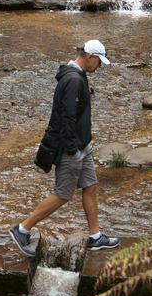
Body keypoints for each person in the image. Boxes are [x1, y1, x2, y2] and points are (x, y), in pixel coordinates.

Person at [10, 39, 119, 256]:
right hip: (72, 148)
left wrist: (83, 144)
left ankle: (95, 237)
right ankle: (22, 229)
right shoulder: (73, 80)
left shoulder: (77, 76)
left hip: (82, 144)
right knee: (62, 194)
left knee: (90, 186)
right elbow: (67, 118)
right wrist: (72, 149)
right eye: (99, 62)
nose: (99, 67)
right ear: (89, 56)